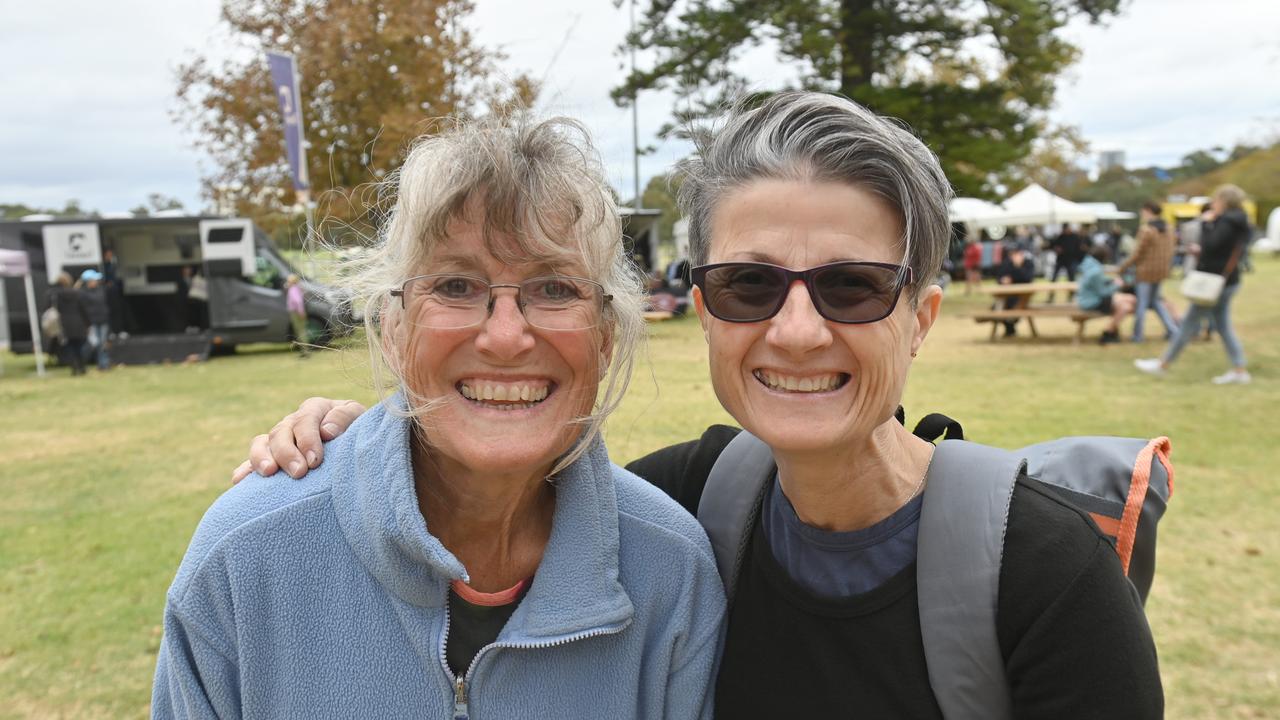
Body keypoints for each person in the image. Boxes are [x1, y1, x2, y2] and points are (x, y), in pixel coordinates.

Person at [236, 93, 1163, 717]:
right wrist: (370, 445)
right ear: (706, 309)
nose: (797, 330)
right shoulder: (685, 505)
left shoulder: (1046, 580)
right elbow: (491, 495)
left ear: (919, 318)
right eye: (750, 284)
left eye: (850, 286)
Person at [152, 114, 726, 719]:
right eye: (455, 285)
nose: (506, 337)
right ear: (392, 326)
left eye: (555, 289)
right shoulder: (246, 560)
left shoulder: (671, 571)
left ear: (606, 336)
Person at [1136, 184, 1252, 384]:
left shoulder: (1226, 222)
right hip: (1226, 280)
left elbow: (1211, 246)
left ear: (1223, 201)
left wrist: (1207, 225)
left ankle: (1163, 364)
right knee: (1222, 326)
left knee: (1189, 322)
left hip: (1215, 282)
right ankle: (1239, 368)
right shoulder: (1242, 223)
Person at [1118, 202, 1179, 342]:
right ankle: (1173, 330)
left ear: (1148, 211)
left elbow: (1137, 253)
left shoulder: (1147, 230)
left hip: (1145, 272)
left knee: (1142, 303)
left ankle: (1138, 335)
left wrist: (1123, 267)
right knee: (1156, 302)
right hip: (1161, 271)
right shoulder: (1169, 228)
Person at [1076, 245, 1135, 344]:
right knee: (1126, 306)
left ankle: (1110, 332)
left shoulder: (1089, 265)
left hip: (1088, 299)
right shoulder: (1095, 271)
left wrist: (1110, 280)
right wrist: (1117, 285)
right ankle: (1108, 333)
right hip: (1092, 302)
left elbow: (1098, 283)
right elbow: (1103, 292)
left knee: (1129, 301)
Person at [47, 272, 90, 376]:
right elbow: (83, 309)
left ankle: (74, 367)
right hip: (79, 323)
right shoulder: (77, 293)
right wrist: (88, 323)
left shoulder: (55, 295)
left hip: (65, 324)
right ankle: (82, 367)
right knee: (79, 347)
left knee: (70, 347)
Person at [995, 242, 1035, 337]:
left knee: (1014, 307)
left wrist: (1017, 266)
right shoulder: (1007, 263)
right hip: (1008, 294)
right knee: (999, 307)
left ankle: (1010, 328)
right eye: (1011, 253)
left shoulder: (1028, 263)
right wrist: (1002, 280)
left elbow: (1028, 278)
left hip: (1022, 295)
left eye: (1016, 253)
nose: (1013, 255)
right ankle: (1010, 330)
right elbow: (999, 277)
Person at [79, 269, 112, 370]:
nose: (96, 281)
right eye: (94, 280)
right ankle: (81, 362)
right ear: (88, 281)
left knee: (102, 342)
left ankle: (103, 364)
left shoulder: (101, 290)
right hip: (91, 322)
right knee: (94, 344)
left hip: (103, 320)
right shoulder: (82, 293)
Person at [284, 273, 310, 358]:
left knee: (300, 332)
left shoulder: (293, 290)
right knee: (301, 331)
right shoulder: (297, 288)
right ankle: (304, 350)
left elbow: (298, 302)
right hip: (297, 311)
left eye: (289, 280)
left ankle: (305, 351)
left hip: (296, 312)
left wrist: (301, 312)